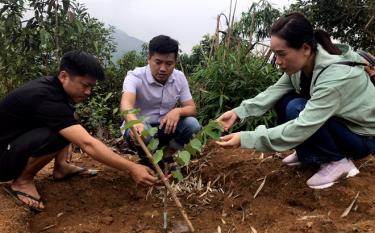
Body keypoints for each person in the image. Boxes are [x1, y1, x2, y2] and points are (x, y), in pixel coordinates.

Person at [216, 12, 375, 189]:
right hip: (341, 125)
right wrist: (238, 112)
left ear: (306, 48)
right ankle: (308, 152)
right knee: (283, 100)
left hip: (362, 137)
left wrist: (247, 138)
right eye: (275, 54)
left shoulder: (335, 77)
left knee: (296, 108)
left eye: (282, 54)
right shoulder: (301, 67)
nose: (277, 61)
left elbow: (304, 125)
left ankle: (337, 162)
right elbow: (274, 91)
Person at [0, 51, 157, 212]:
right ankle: (22, 182)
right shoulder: (45, 96)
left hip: (13, 144)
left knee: (68, 120)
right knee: (57, 134)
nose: (88, 92)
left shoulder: (55, 88)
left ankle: (62, 166)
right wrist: (131, 167)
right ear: (63, 76)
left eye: (91, 86)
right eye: (85, 85)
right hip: (3, 159)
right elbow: (87, 143)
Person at [120, 35, 201, 169]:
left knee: (192, 125)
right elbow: (126, 104)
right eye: (158, 62)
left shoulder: (179, 78)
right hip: (141, 128)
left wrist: (177, 111)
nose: (163, 68)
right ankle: (147, 159)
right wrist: (135, 123)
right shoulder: (135, 76)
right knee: (143, 132)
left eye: (169, 64)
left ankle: (167, 155)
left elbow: (192, 108)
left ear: (175, 62)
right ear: (149, 59)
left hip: (165, 128)